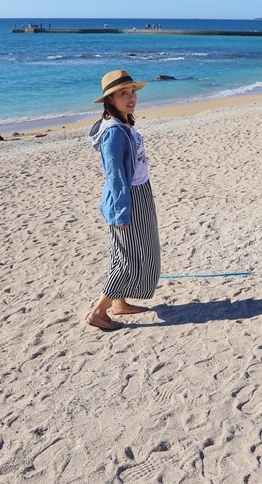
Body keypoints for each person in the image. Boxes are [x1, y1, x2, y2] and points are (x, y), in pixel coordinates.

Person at [86, 69, 161, 331]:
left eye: (132, 92)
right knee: (129, 257)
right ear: (110, 100)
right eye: (123, 94)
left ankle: (119, 302)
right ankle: (99, 311)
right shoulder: (114, 132)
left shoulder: (124, 124)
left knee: (124, 252)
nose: (131, 98)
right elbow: (115, 175)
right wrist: (121, 212)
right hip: (126, 198)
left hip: (139, 191)